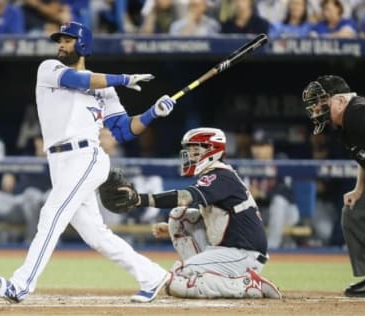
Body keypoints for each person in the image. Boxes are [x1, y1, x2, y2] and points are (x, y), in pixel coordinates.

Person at [0, 21, 176, 304]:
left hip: (86, 156)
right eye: (59, 40)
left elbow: (123, 130)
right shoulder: (49, 69)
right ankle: (151, 275)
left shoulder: (106, 89)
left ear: (83, 44)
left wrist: (153, 113)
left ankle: (21, 284)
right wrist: (125, 78)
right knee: (95, 234)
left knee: (51, 214)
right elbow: (80, 81)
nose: (61, 45)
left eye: (67, 40)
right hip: (58, 161)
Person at [106, 127, 282, 299]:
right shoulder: (215, 174)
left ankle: (248, 285)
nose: (190, 155)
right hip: (226, 249)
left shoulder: (221, 175)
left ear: (213, 150)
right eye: (189, 149)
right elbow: (217, 219)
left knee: (176, 281)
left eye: (195, 149)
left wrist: (139, 199)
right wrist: (170, 229)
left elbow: (184, 197)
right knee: (178, 217)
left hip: (243, 254)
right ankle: (204, 273)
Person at [302, 74, 365, 297]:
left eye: (322, 102)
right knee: (356, 210)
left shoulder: (361, 112)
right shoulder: (344, 125)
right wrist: (359, 189)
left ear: (340, 101)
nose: (316, 108)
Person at [248, 130, 300, 249]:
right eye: (255, 146)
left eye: (262, 146)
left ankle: (272, 249)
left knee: (279, 201)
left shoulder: (280, 161)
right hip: (261, 214)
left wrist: (262, 194)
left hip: (288, 213)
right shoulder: (247, 165)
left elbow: (286, 192)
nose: (257, 150)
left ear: (270, 147)